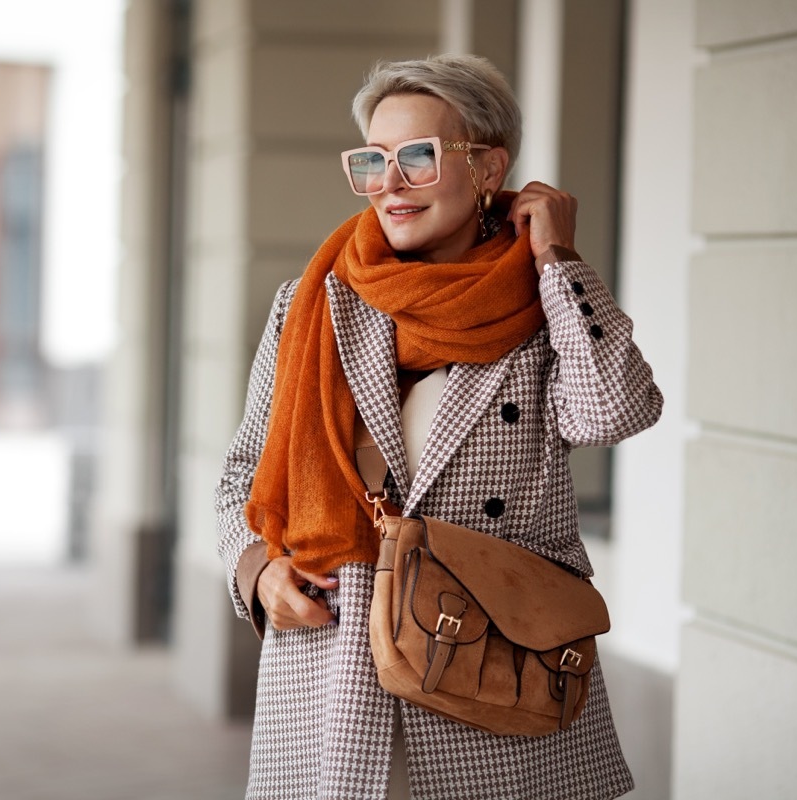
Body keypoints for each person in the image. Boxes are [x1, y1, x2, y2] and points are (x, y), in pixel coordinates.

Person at [215, 54, 662, 800]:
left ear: (488, 167)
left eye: (418, 157)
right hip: (341, 663)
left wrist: (558, 257)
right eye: (373, 161)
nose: (390, 183)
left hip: (496, 666)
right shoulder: (315, 305)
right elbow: (241, 476)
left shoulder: (545, 305)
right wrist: (257, 569)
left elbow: (615, 410)